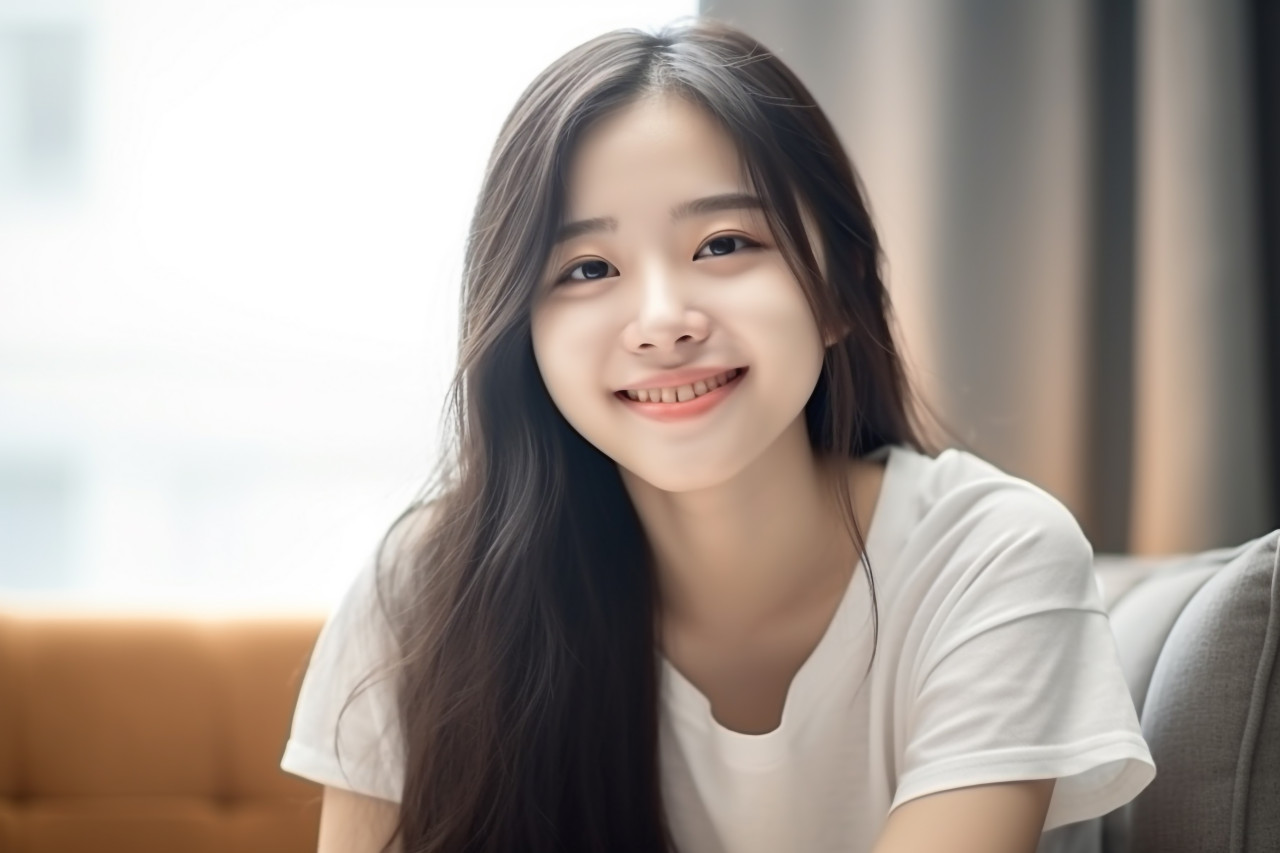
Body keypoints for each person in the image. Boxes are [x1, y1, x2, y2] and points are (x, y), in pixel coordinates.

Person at [280, 18, 1155, 853]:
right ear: (523, 330)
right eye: (588, 269)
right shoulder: (423, 594)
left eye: (726, 243)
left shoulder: (987, 558)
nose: (662, 321)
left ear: (842, 288)